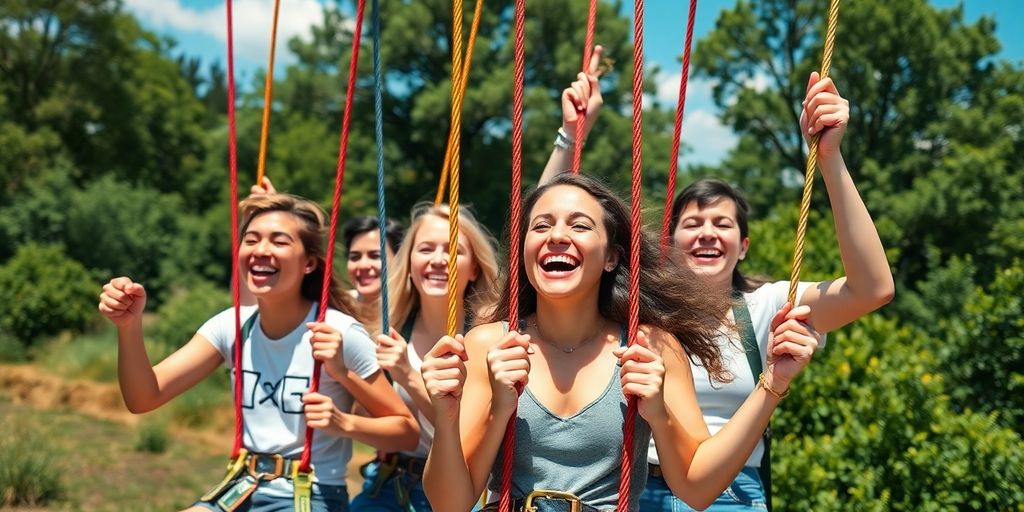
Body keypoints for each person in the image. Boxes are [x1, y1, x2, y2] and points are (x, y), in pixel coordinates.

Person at [420, 173, 823, 511]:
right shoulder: (488, 344)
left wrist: (771, 383)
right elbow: (449, 504)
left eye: (579, 225)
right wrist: (453, 413)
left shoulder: (651, 345)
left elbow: (698, 490)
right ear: (524, 249)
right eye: (541, 226)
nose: (557, 235)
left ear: (612, 256)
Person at [637, 72, 895, 511]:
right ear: (670, 243)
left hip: (733, 493)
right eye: (692, 224)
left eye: (723, 225)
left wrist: (830, 159)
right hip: (639, 489)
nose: (707, 235)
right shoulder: (641, 313)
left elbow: (871, 289)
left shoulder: (767, 306)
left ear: (744, 247)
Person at [98, 193, 419, 512]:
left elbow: (405, 433)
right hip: (240, 485)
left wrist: (342, 422)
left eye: (279, 242)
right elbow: (143, 398)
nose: (261, 250)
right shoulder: (232, 325)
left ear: (309, 262)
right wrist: (129, 328)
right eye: (251, 240)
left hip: (309, 493)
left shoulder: (340, 333)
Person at [349, 202, 500, 511]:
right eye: (426, 249)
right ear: (408, 262)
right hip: (389, 483)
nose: (438, 260)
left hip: (461, 491)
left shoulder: (489, 338)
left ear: (474, 268)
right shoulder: (386, 327)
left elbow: (462, 432)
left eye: (453, 251)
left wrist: (407, 375)